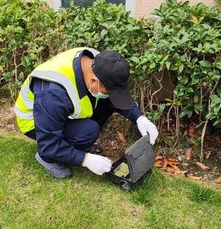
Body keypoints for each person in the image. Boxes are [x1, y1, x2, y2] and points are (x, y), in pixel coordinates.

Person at [14, 47, 158, 178]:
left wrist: (139, 118)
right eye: (108, 92)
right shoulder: (53, 93)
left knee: (103, 105)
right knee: (87, 132)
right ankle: (46, 158)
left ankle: (72, 144)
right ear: (93, 81)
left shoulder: (97, 62)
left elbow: (115, 96)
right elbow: (49, 143)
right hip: (34, 122)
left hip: (58, 110)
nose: (110, 95)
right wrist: (85, 159)